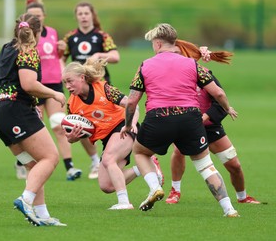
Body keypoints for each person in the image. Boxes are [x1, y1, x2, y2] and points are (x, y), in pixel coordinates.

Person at [120, 23, 240, 217]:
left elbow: (132, 102)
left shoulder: (146, 65)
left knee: (140, 152)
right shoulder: (191, 64)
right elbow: (218, 92)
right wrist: (227, 108)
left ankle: (154, 188)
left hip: (159, 118)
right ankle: (229, 208)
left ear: (158, 43)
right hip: (190, 119)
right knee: (205, 165)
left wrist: (127, 125)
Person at [0, 13, 66, 226]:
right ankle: (26, 200)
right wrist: (53, 94)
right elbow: (28, 83)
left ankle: (42, 215)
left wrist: (32, 104)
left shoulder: (7, 48)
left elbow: (12, 81)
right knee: (50, 158)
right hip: (15, 112)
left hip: (0, 114)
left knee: (33, 165)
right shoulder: (29, 51)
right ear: (39, 33)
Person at [165, 39, 260, 205]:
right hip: (186, 126)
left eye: (178, 54)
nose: (174, 58)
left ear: (188, 55)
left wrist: (203, 118)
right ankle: (175, 191)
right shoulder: (171, 76)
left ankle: (242, 197)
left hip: (209, 126)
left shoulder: (203, 73)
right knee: (179, 151)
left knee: (234, 165)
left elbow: (220, 101)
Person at [62, 57, 164, 209]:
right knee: (107, 185)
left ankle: (124, 202)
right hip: (108, 138)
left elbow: (133, 105)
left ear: (82, 78)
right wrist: (71, 138)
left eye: (70, 81)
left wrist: (131, 124)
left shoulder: (103, 89)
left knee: (108, 158)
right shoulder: (72, 104)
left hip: (123, 127)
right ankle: (147, 169)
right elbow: (75, 135)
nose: (68, 86)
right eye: (65, 83)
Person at [59, 1, 120, 179]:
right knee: (80, 125)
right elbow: (60, 58)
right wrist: (65, 74)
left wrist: (100, 55)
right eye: (80, 14)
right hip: (78, 89)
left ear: (92, 15)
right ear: (76, 16)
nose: (84, 16)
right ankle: (95, 161)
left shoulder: (102, 36)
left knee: (108, 123)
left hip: (101, 88)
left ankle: (110, 157)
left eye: (87, 13)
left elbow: (116, 56)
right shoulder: (70, 37)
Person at [24, 0, 82, 181]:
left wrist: (62, 50)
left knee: (59, 125)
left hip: (54, 84)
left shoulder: (53, 33)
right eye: (32, 16)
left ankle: (70, 167)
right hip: (35, 85)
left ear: (44, 15)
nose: (36, 18)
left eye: (38, 15)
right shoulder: (25, 38)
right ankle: (25, 163)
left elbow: (56, 57)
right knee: (35, 128)